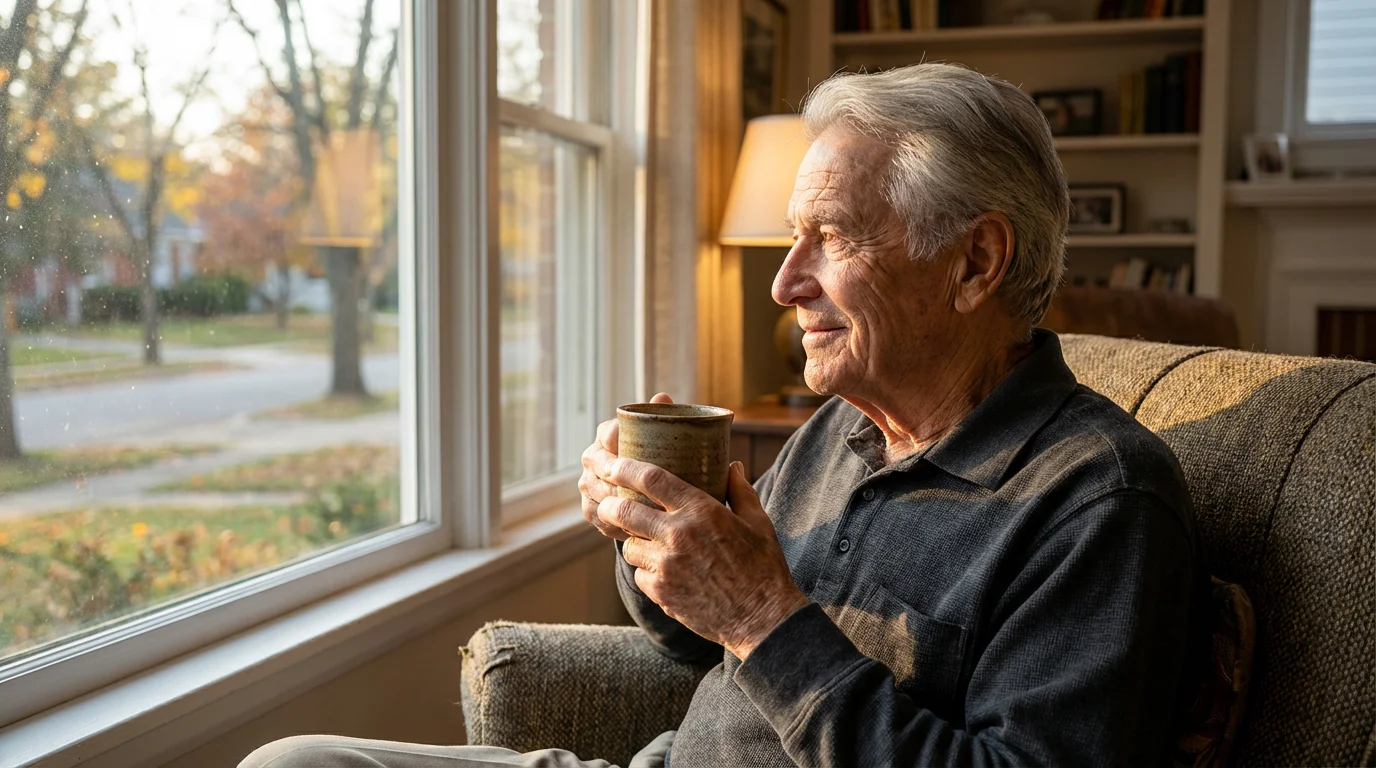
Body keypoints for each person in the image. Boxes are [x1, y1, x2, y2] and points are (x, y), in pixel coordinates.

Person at [240, 62, 1207, 768]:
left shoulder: (1097, 501)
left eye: (830, 239)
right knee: (292, 766)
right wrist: (653, 542)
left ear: (974, 263)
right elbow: (704, 644)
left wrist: (761, 612)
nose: (787, 282)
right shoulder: (847, 428)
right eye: (795, 239)